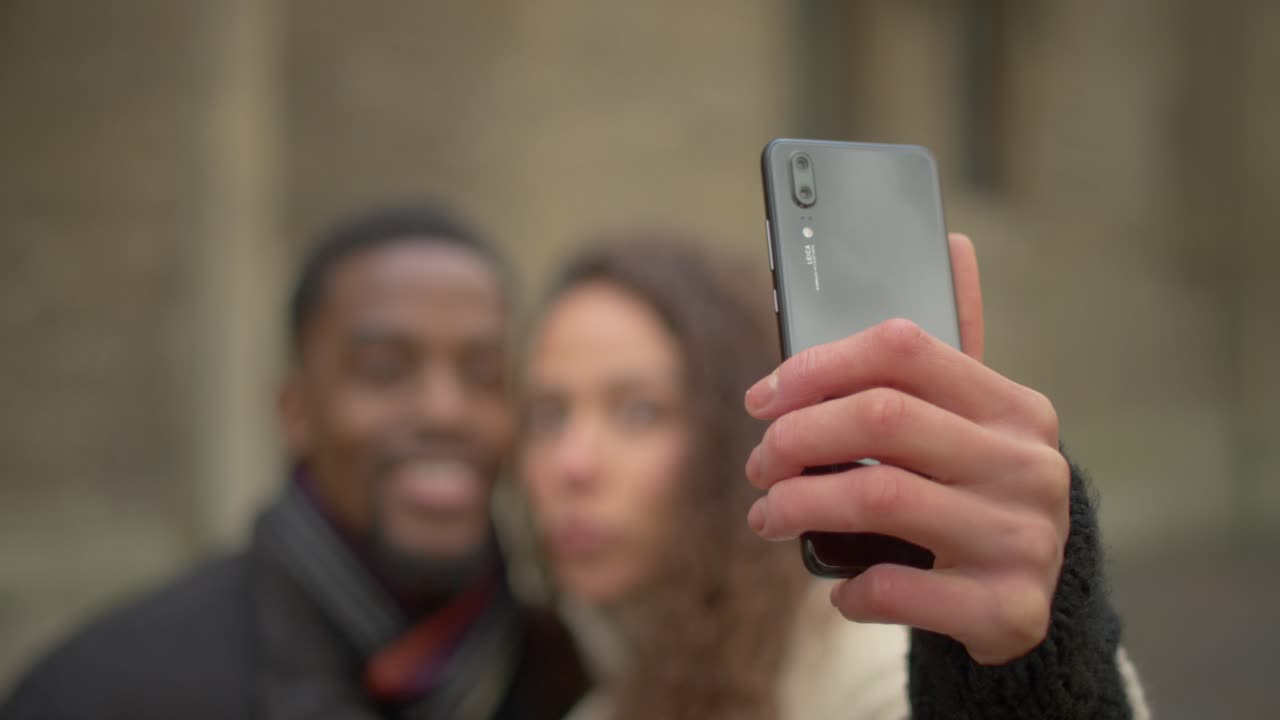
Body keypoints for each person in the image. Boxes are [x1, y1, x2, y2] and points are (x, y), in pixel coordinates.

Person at [518, 236, 1150, 719]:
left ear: (734, 434)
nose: (573, 463)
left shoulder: (868, 663)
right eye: (548, 415)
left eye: (638, 412)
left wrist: (1023, 681)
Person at [1, 206, 587, 720]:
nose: (445, 411)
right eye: (385, 370)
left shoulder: (571, 678)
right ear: (296, 411)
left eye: (486, 374)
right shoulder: (103, 694)